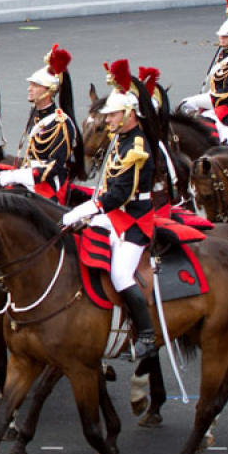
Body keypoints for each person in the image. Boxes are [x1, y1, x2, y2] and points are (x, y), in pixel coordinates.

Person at [62, 60, 159, 363]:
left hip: (133, 220)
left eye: (113, 115)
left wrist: (84, 209)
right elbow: (106, 181)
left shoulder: (137, 146)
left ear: (129, 114)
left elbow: (118, 194)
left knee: (119, 273)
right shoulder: (120, 139)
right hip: (113, 214)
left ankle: (146, 335)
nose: (108, 121)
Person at [0, 45, 82, 202]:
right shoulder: (37, 116)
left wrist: (18, 175)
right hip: (31, 178)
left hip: (48, 186)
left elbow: (54, 166)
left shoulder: (60, 123)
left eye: (35, 86)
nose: (29, 89)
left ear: (49, 91)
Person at [180, 0, 228, 144]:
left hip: (227, 108)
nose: (222, 38)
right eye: (221, 35)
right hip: (215, 102)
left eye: (226, 36)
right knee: (185, 106)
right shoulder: (224, 55)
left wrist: (202, 100)